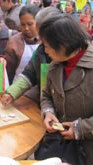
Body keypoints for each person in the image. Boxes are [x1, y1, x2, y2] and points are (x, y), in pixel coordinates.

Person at [37, 14, 93, 165]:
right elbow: (46, 94)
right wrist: (48, 112)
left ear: (63, 45)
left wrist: (80, 128)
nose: (45, 50)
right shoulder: (56, 64)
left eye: (47, 45)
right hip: (60, 147)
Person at [0, 7, 61, 106]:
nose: (39, 39)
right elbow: (29, 74)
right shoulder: (41, 51)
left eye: (30, 24)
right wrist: (12, 93)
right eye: (23, 25)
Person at [0, 4, 40, 84]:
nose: (26, 28)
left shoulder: (46, 41)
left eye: (30, 24)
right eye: (23, 25)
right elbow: (8, 71)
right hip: (17, 89)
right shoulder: (14, 42)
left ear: (38, 22)